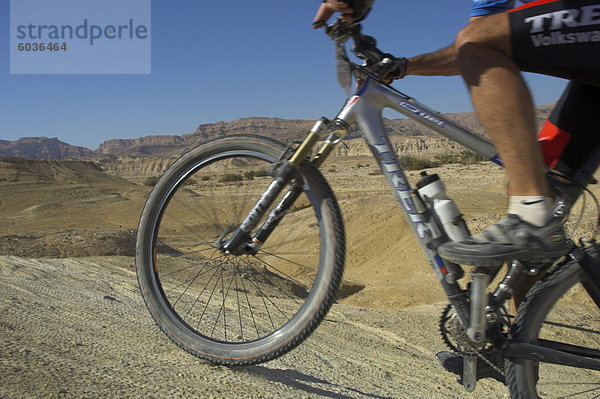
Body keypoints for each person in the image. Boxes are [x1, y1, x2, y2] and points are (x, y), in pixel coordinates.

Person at [313, 0, 600, 384]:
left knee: (534, 211)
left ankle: (532, 217)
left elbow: (476, 42)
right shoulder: (493, 6)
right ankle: (511, 348)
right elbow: (466, 52)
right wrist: (405, 66)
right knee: (533, 179)